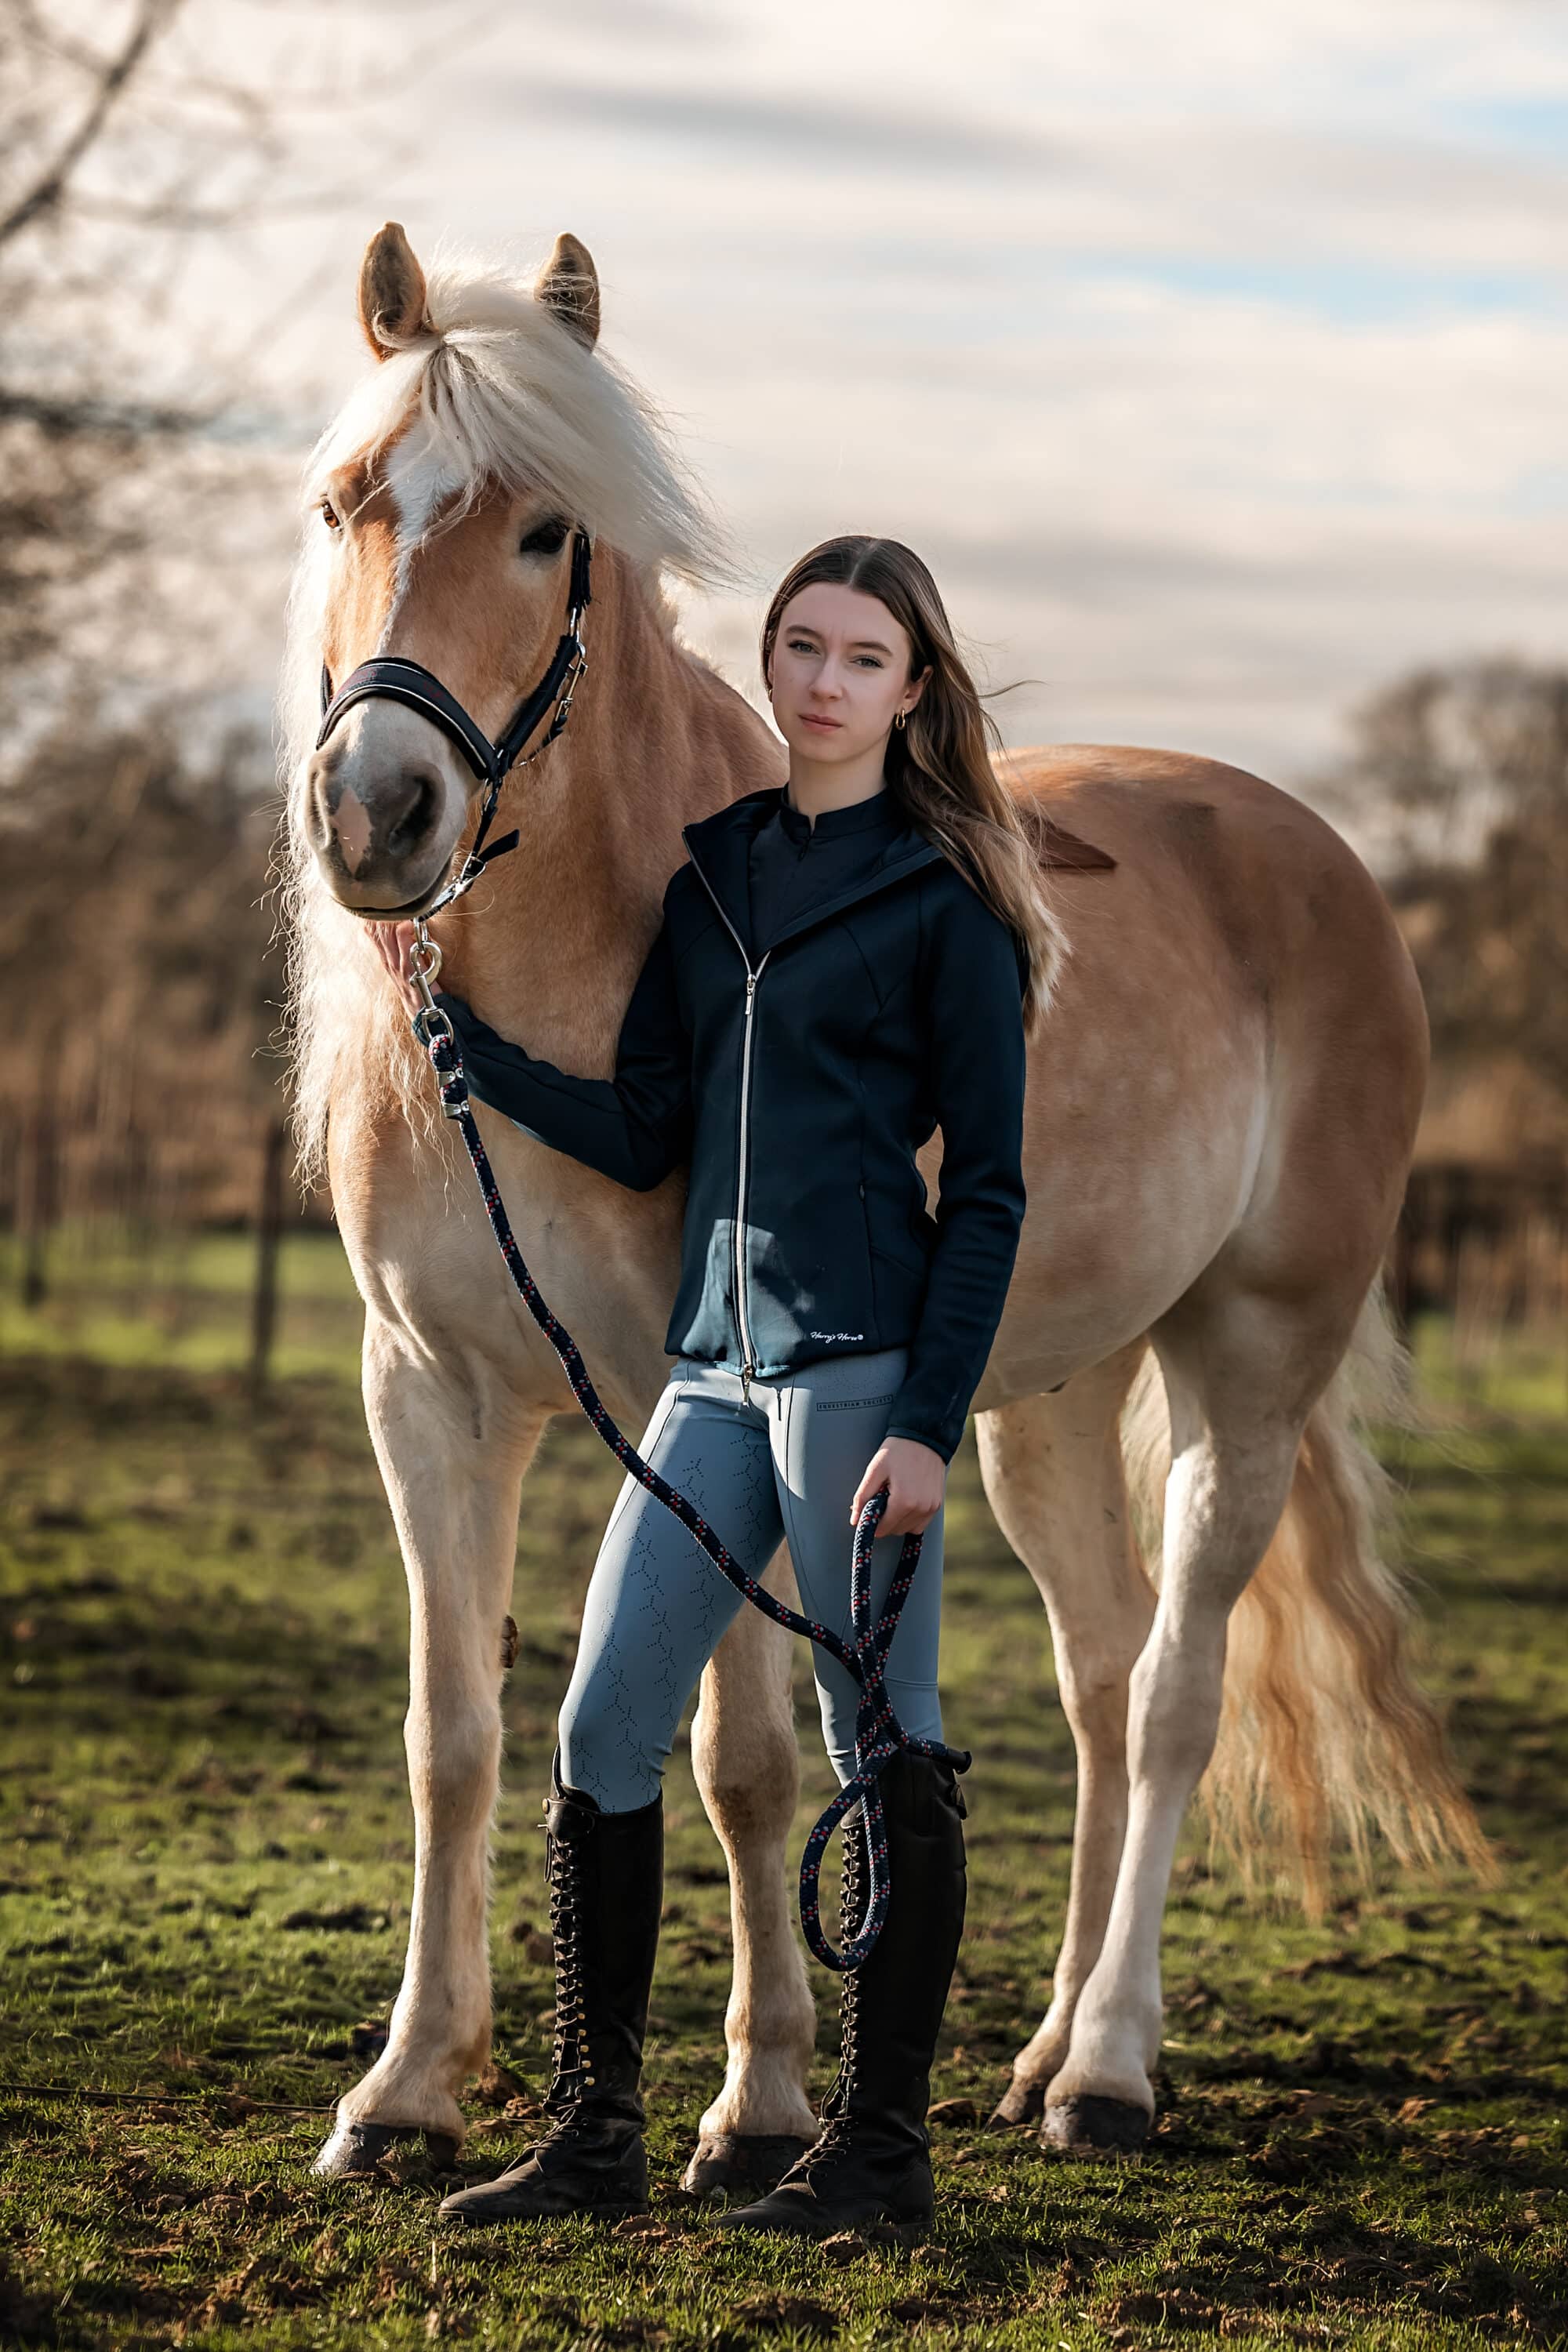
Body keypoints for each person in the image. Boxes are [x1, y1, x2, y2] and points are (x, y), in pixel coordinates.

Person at [372, 535, 1056, 2237]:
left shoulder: (944, 901)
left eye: (862, 660)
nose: (821, 684)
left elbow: (986, 1192)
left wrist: (923, 1424)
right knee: (603, 1725)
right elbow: (653, 1128)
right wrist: (473, 1047)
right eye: (802, 648)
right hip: (711, 1377)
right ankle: (597, 2128)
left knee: (881, 1744)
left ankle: (878, 2161)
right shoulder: (719, 876)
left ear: (913, 694)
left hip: (856, 1376)